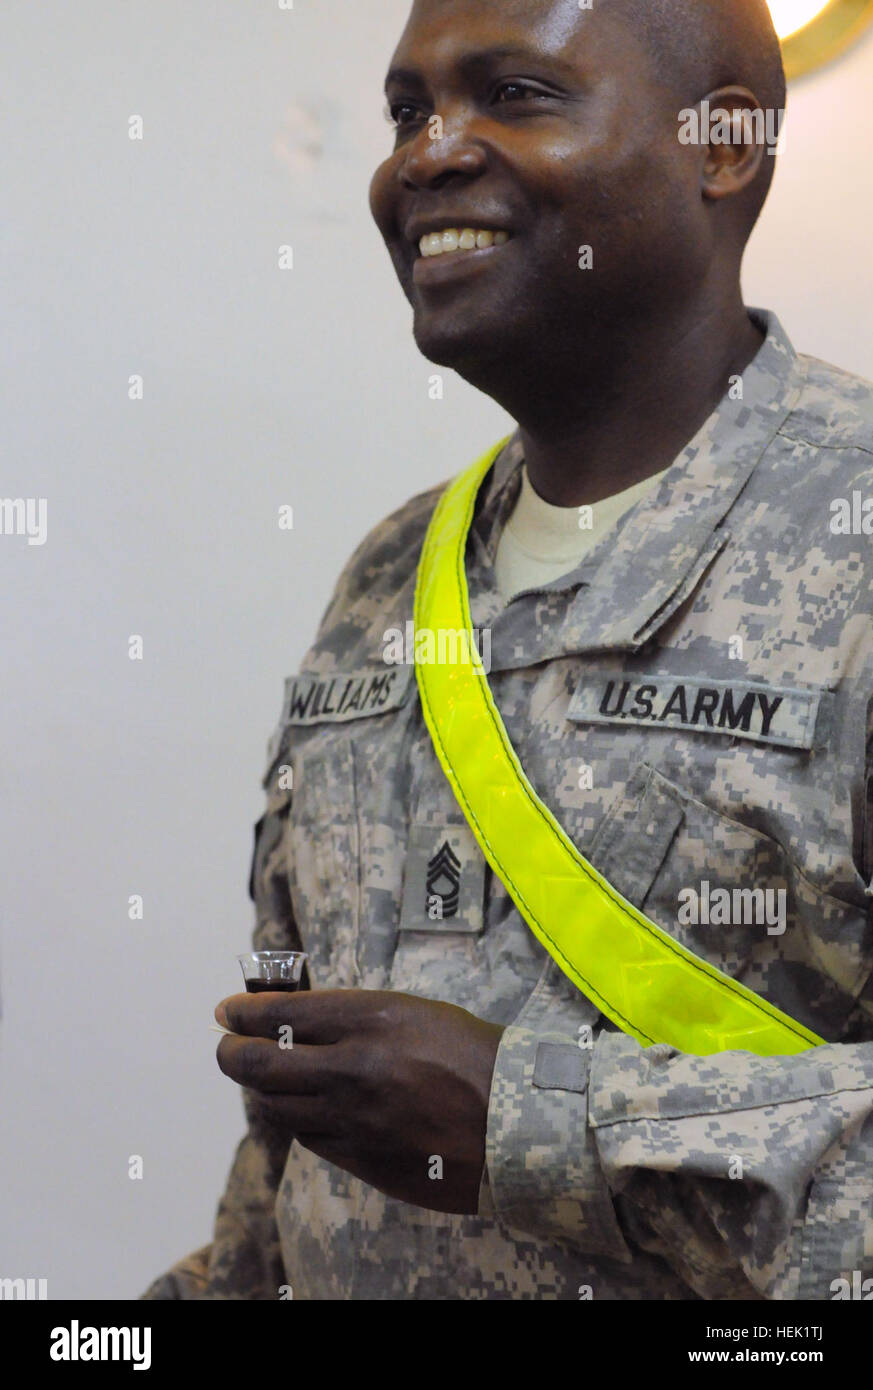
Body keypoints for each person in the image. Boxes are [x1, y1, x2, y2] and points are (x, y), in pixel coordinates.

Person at [143, 0, 873, 1301]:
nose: (426, 155)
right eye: (408, 111)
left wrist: (522, 1126)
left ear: (722, 145)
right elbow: (297, 1173)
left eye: (516, 95)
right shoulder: (388, 569)